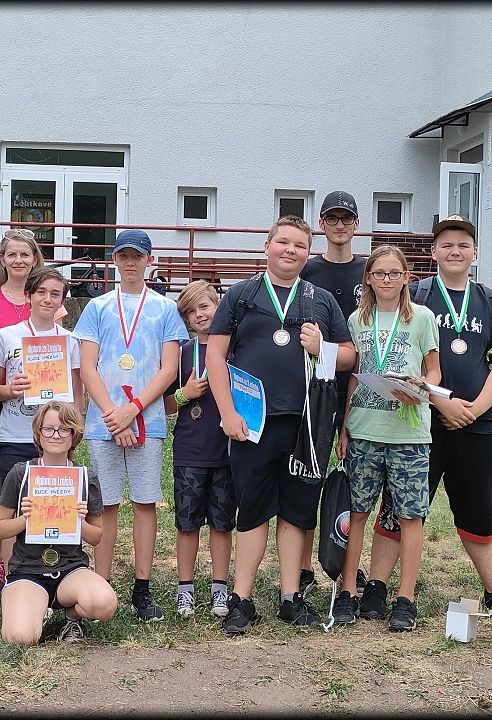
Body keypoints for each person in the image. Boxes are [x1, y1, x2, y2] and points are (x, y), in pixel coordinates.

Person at [363, 215, 492, 618]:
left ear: (474, 252)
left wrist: (474, 409)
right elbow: (397, 356)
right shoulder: (415, 295)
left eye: (463, 245)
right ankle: (376, 588)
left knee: (479, 508)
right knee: (399, 507)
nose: (455, 251)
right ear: (433, 252)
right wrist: (440, 403)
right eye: (446, 245)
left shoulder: (490, 301)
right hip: (419, 424)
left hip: (480, 424)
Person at [207, 216, 355, 634]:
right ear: (267, 246)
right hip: (252, 424)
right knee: (253, 510)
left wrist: (323, 347)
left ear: (308, 253)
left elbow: (349, 356)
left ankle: (291, 597)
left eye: (299, 245)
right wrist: (227, 412)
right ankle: (242, 599)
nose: (290, 250)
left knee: (297, 511)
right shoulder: (241, 295)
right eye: (283, 242)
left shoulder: (320, 299)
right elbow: (215, 355)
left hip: (307, 423)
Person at [73, 229, 187, 622]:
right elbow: (88, 367)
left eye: (137, 256)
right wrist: (113, 414)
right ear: (115, 260)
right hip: (103, 421)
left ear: (149, 260)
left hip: (147, 420)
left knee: (144, 501)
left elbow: (168, 369)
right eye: (124, 255)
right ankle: (101, 583)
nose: (130, 262)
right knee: (104, 504)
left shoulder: (165, 309)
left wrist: (133, 409)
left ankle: (142, 587)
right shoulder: (98, 307)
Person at [332, 246, 440, 632]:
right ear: (369, 279)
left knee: (409, 516)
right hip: (365, 430)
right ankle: (348, 590)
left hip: (409, 433)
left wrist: (420, 389)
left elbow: (434, 372)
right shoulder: (357, 320)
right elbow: (354, 377)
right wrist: (345, 427)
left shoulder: (422, 318)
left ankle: (405, 598)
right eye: (379, 273)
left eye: (394, 273)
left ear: (407, 277)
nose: (387, 280)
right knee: (357, 513)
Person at [0, 228, 67, 591]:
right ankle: (1, 561)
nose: (18, 260)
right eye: (11, 254)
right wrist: (6, 389)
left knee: (47, 485)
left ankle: (44, 558)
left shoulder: (50, 301)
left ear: (35, 259)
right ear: (2, 259)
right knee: (4, 486)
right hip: (4, 409)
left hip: (47, 414)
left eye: (25, 254)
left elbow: (60, 363)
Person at [0, 267, 83, 588]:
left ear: (62, 301)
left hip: (56, 439)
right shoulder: (7, 336)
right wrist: (10, 389)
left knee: (54, 503)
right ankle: (11, 579)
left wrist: (74, 432)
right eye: (41, 292)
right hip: (15, 434)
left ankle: (51, 572)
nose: (47, 299)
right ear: (28, 295)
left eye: (55, 294)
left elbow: (77, 393)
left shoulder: (70, 341)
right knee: (14, 506)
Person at [0, 402, 117, 645]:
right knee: (20, 637)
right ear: (38, 433)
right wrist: (25, 519)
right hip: (28, 571)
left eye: (64, 429)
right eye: (48, 429)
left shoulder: (85, 477)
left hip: (71, 569)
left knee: (104, 604)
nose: (56, 435)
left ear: (74, 435)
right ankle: (33, 607)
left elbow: (96, 536)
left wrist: (79, 522)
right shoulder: (21, 473)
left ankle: (72, 615)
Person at [297, 190, 366, 598]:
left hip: (360, 382)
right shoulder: (307, 270)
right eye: (332, 219)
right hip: (314, 385)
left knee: (355, 485)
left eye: (346, 219)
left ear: (357, 224)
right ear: (321, 224)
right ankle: (304, 568)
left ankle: (348, 566)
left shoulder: (368, 271)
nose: (339, 226)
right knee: (308, 477)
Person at [163, 281, 235, 619]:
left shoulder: (235, 349)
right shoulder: (181, 353)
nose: (199, 315)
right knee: (187, 522)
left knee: (222, 523)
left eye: (204, 307)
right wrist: (185, 394)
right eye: (190, 312)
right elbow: (164, 405)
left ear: (217, 305)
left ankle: (220, 588)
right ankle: (185, 589)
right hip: (190, 448)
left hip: (228, 449)